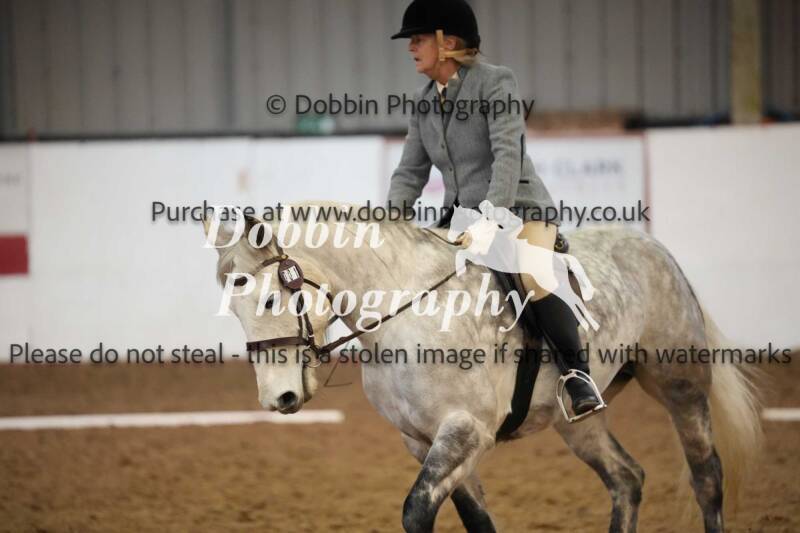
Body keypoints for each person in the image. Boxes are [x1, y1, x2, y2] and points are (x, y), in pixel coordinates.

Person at [387, 0, 604, 419]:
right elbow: (410, 173)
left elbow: (508, 155)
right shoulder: (423, 101)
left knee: (533, 274)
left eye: (418, 39)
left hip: (519, 209)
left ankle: (578, 376)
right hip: (459, 218)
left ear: (447, 43)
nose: (410, 47)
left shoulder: (495, 82)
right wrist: (388, 223)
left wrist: (491, 219)